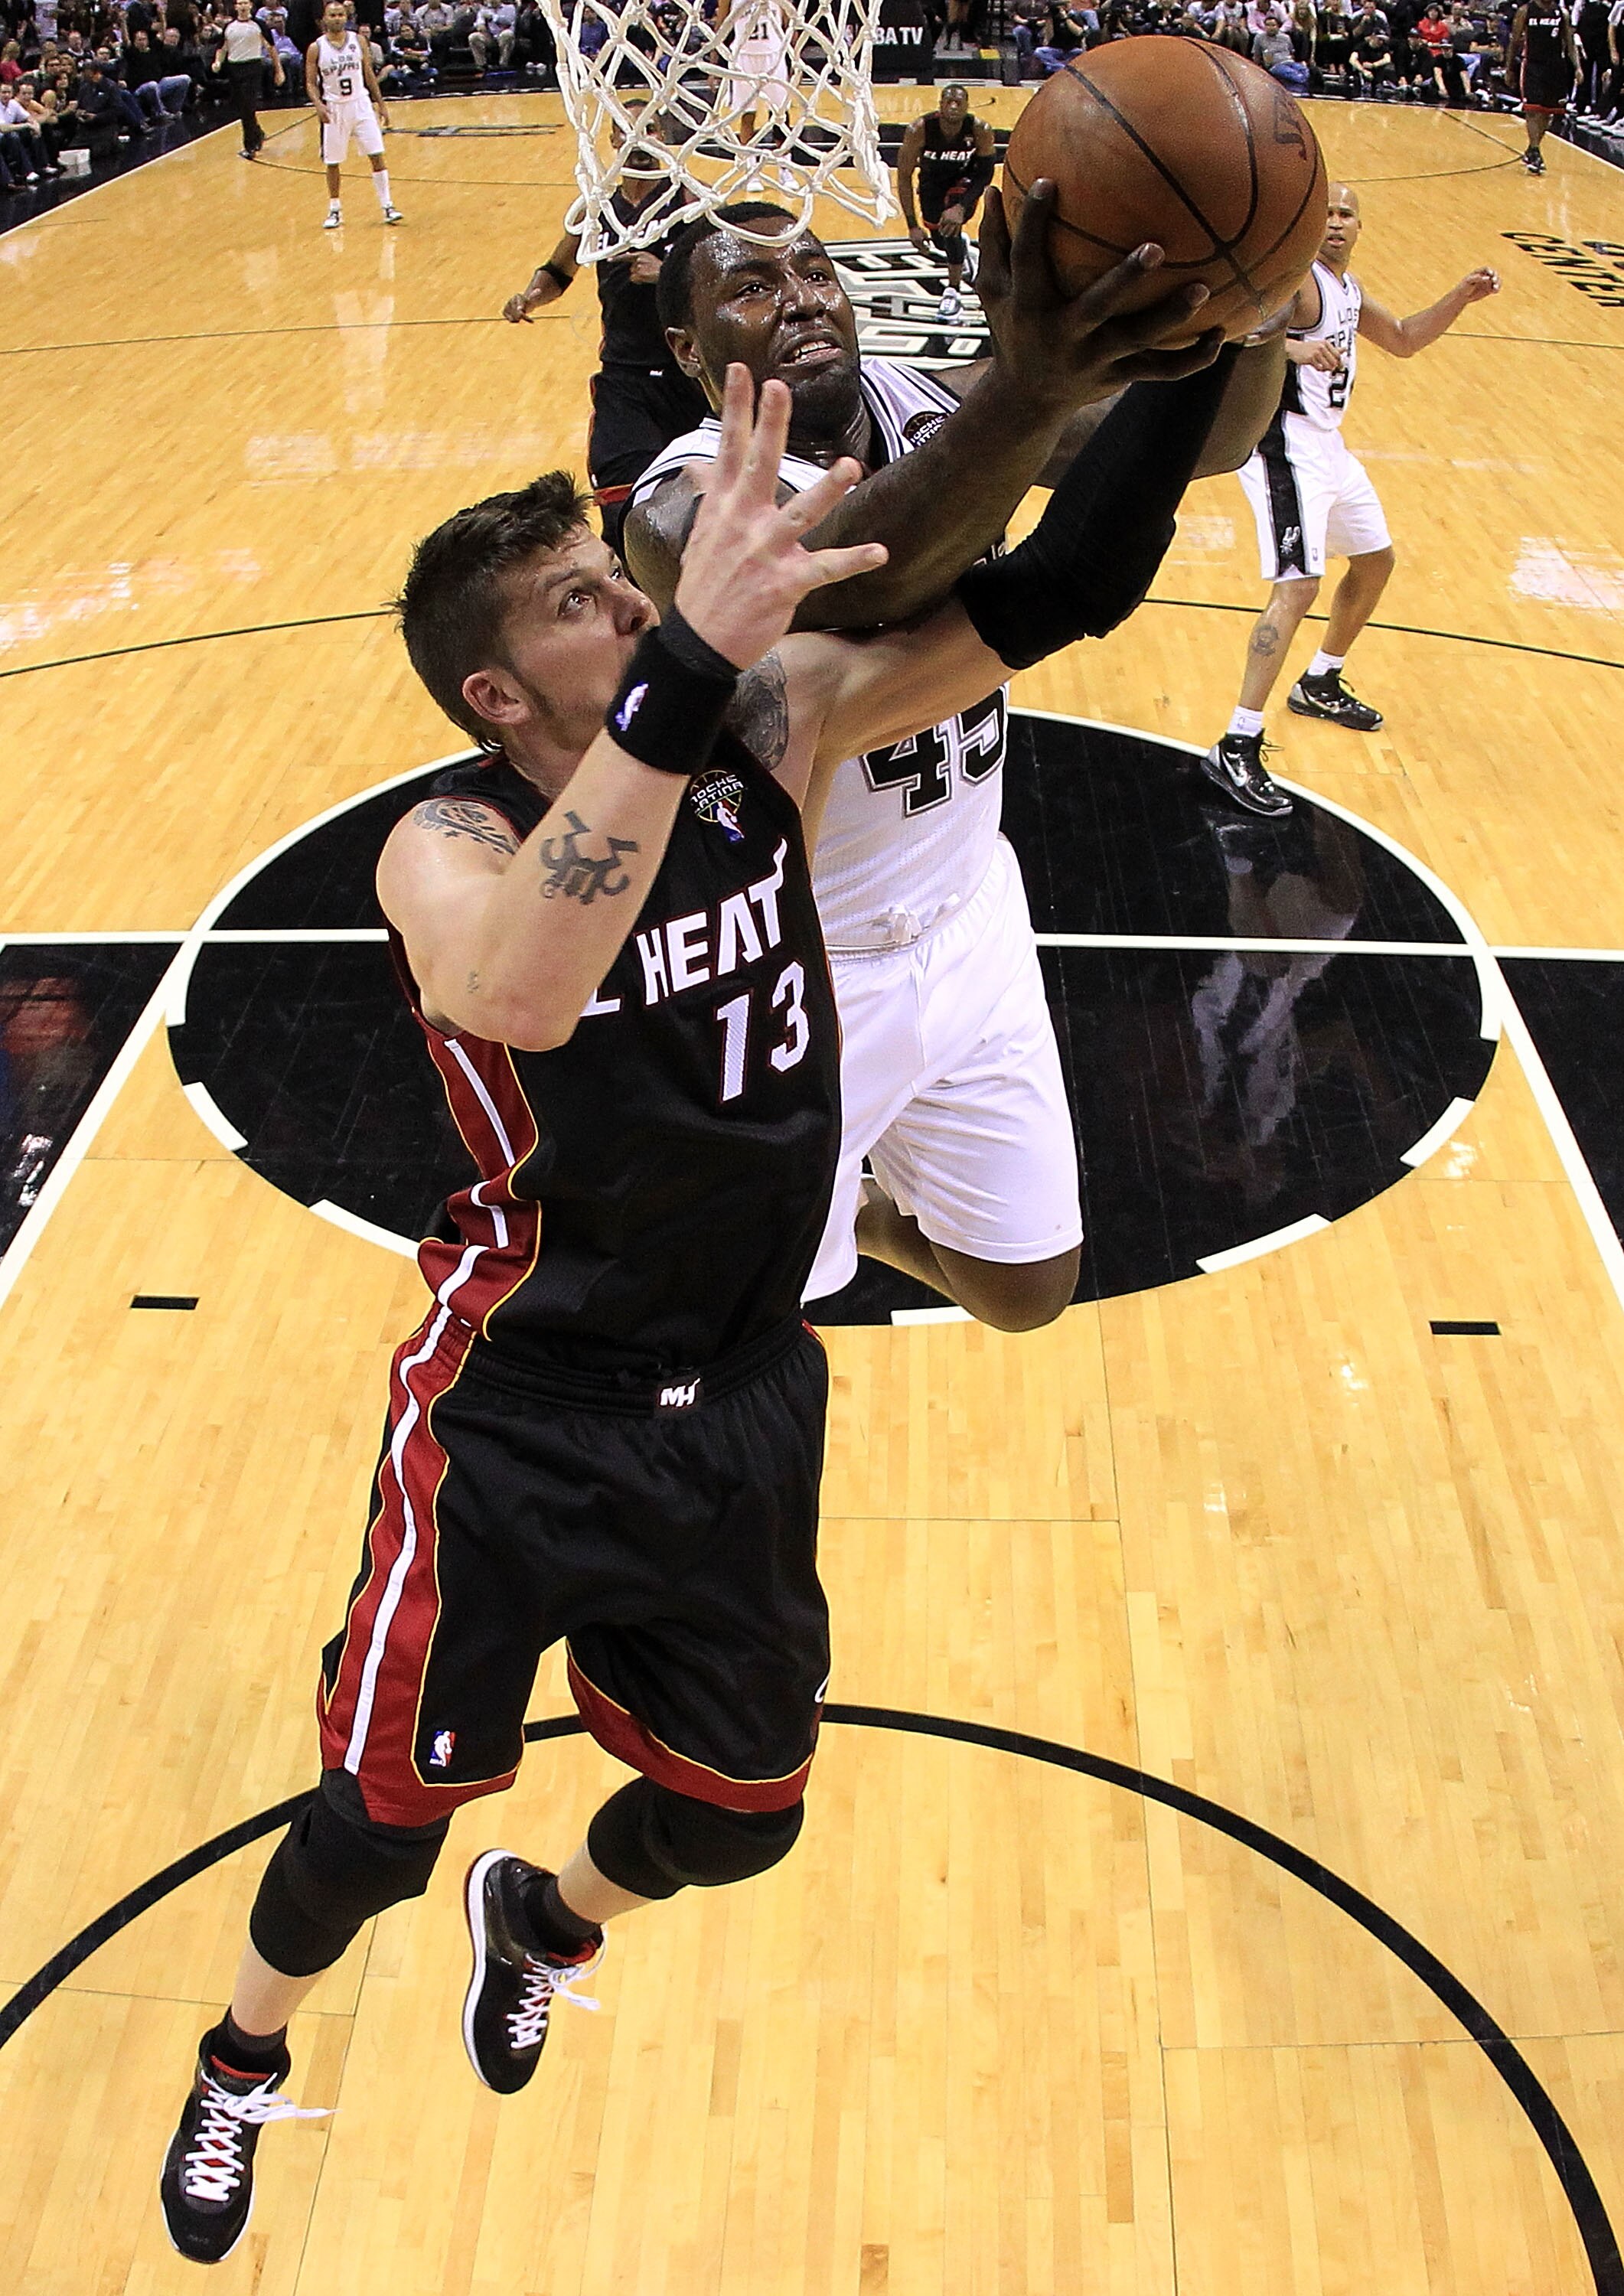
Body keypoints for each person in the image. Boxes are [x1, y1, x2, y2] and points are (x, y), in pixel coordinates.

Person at [155, 295, 1251, 2268]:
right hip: (520, 1416)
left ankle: (553, 1916)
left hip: (741, 1390)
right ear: (503, 690)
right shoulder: (445, 838)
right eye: (587, 594)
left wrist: (1165, 351)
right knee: (376, 1825)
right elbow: (516, 989)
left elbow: (1072, 580)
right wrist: (689, 659)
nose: (630, 589)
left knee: (743, 1815)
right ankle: (239, 2057)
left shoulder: (780, 723)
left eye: (614, 576)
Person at [624, 197, 1283, 1326]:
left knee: (1023, 1291)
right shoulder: (679, 507)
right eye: (750, 287)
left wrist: (1248, 296)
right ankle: (830, 1214)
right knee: (771, 1311)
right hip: (802, 971)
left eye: (815, 270)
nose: (799, 299)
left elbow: (1213, 435)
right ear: (688, 351)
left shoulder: (930, 404)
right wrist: (1027, 391)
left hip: (970, 909)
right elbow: (861, 572)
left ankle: (874, 1213)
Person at [1204, 184, 1499, 816]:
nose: (1336, 223)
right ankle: (1236, 741)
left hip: (1328, 448)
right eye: (1328, 214)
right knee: (1299, 587)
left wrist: (1461, 296)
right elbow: (1221, 334)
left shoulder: (1349, 289)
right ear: (1311, 224)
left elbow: (1405, 338)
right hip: (1283, 446)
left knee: (1375, 561)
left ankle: (1319, 680)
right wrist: (1294, 347)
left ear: (1361, 226)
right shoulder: (1294, 283)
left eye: (1346, 214)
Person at [501, 95, 706, 554]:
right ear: (613, 138)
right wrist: (530, 296)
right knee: (620, 499)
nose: (639, 139)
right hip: (625, 374)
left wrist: (666, 274)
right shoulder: (596, 207)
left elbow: (722, 280)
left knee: (698, 500)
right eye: (630, 129)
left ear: (666, 140)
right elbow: (558, 271)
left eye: (651, 129)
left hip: (689, 376)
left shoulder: (692, 200)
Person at [895, 82, 996, 326]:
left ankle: (953, 292)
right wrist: (912, 225)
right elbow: (903, 177)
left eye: (958, 102)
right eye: (948, 102)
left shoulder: (980, 129)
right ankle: (961, 250)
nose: (953, 106)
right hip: (932, 183)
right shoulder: (919, 130)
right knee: (940, 238)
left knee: (949, 221)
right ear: (940, 105)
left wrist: (962, 206)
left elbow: (985, 173)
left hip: (965, 183)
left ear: (966, 107)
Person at [307, 0, 399, 224]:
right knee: (332, 162)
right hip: (334, 108)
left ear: (346, 17)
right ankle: (335, 209)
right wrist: (318, 105)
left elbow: (368, 74)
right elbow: (310, 83)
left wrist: (381, 104)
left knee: (376, 154)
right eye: (332, 15)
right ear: (324, 19)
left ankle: (387, 205)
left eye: (340, 14)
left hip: (360, 104)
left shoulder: (358, 40)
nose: (337, 18)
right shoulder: (316, 47)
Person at [1508, 0, 1577, 168]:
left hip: (1556, 67)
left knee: (1548, 113)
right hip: (1532, 64)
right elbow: (1515, 41)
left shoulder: (1562, 14)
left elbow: (1569, 43)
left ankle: (1532, 148)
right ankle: (1536, 152)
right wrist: (1509, 68)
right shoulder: (1526, 11)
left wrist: (1578, 67)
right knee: (1532, 109)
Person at [212, 0, 281, 154]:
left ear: (250, 6)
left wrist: (279, 70)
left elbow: (271, 48)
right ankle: (257, 132)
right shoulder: (229, 27)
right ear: (236, 7)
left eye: (245, 3)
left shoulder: (259, 25)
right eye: (240, 3)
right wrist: (217, 62)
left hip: (253, 67)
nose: (243, 6)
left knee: (248, 106)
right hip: (235, 68)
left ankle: (250, 146)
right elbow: (222, 47)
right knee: (242, 106)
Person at [723, 0, 789, 143]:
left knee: (780, 113)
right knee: (747, 114)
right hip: (743, 58)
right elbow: (722, 26)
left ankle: (785, 161)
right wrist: (715, 62)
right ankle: (748, 162)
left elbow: (789, 22)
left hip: (774, 56)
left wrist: (795, 59)